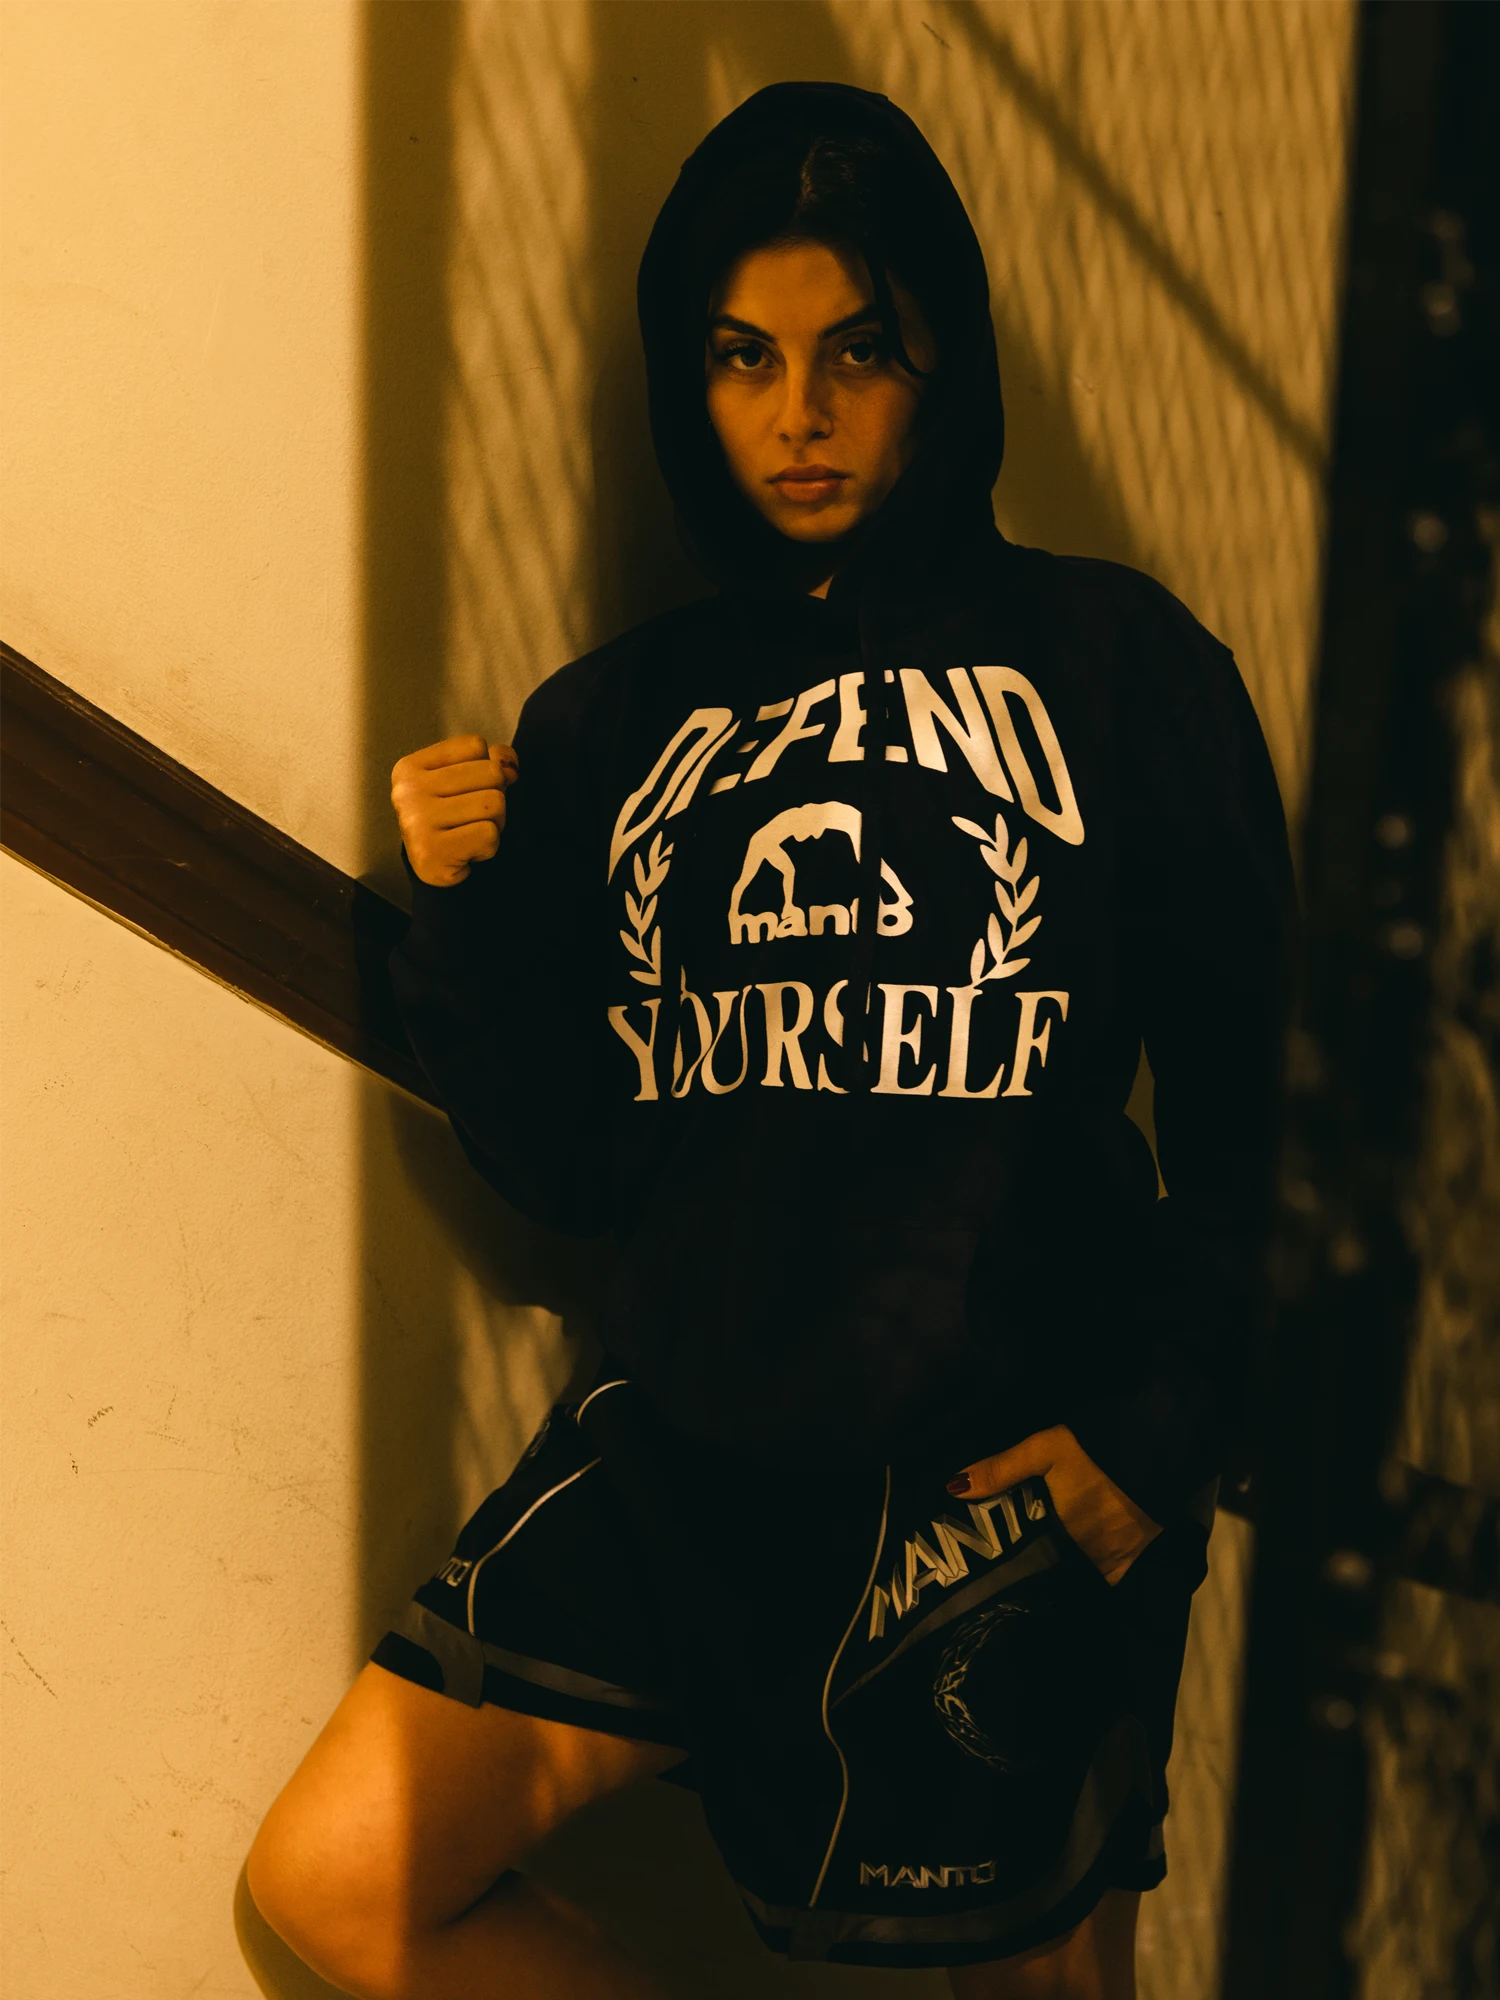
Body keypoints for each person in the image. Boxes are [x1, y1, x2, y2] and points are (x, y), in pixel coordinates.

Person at [247, 82, 1293, 2000]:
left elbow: (1261, 1115)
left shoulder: (1120, 662)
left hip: (991, 1480)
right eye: (743, 358)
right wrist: (465, 915)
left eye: (855, 351)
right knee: (339, 1882)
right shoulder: (612, 722)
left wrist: (1155, 1438)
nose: (798, 413)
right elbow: (572, 1162)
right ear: (686, 376)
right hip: (686, 1460)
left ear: (942, 359)